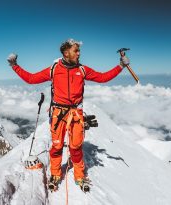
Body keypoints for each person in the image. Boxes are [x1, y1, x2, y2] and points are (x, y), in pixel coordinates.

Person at [7, 38, 129, 192]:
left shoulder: (82, 69)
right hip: (58, 113)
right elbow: (31, 79)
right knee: (57, 146)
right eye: (76, 51)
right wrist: (14, 66)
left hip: (76, 113)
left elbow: (103, 77)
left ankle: (79, 175)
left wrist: (120, 66)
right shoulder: (54, 69)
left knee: (76, 147)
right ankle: (55, 174)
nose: (79, 54)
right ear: (66, 53)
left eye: (79, 51)